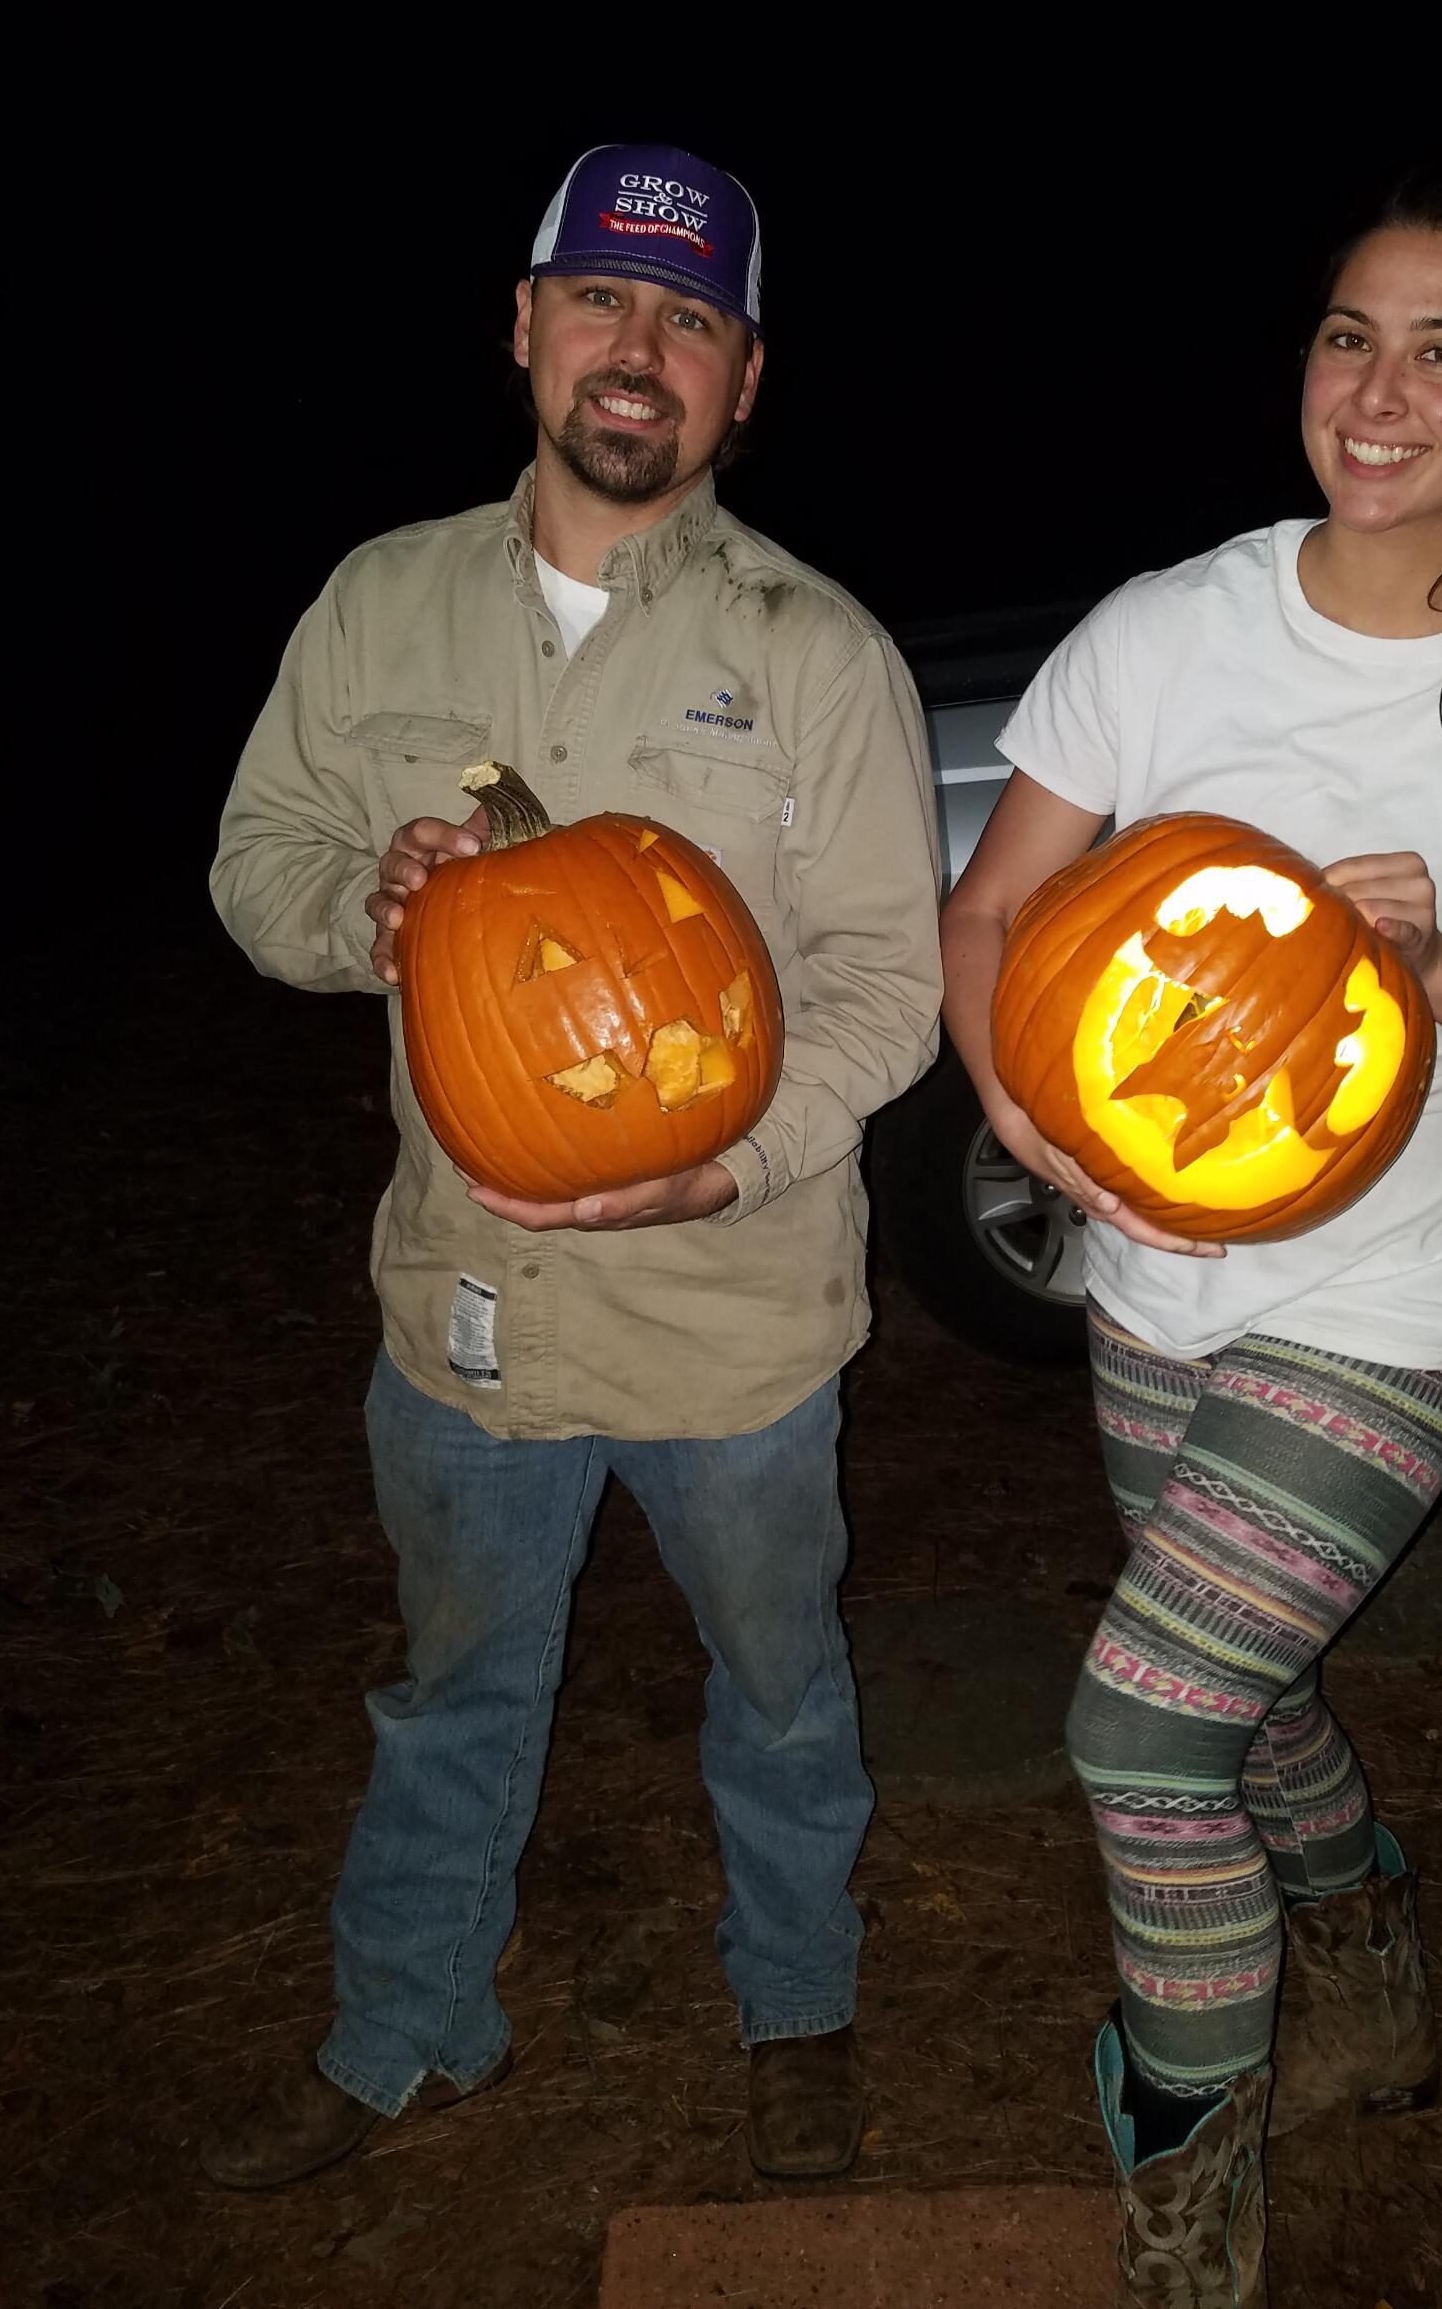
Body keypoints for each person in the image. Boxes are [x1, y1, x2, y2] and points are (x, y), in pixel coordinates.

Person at [939, 162, 1442, 2306]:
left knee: (1144, 1725)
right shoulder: (1167, 626)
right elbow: (992, 911)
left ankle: (1186, 2184)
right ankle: (1369, 1939)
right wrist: (1030, 1122)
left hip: (1391, 1299)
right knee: (1254, 1680)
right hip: (1155, 1276)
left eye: (1440, 349)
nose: (1377, 392)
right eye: (1346, 337)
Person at [204, 144, 943, 2191]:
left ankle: (796, 2002)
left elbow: (889, 988)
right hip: (470, 1303)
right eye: (602, 299)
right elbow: (256, 857)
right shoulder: (380, 601)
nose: (640, 347)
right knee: (449, 1688)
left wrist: (729, 1168)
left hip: (735, 1316)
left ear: (743, 380)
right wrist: (365, 910)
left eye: (690, 319)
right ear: (524, 326)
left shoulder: (815, 648)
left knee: (780, 1692)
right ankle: (404, 2022)